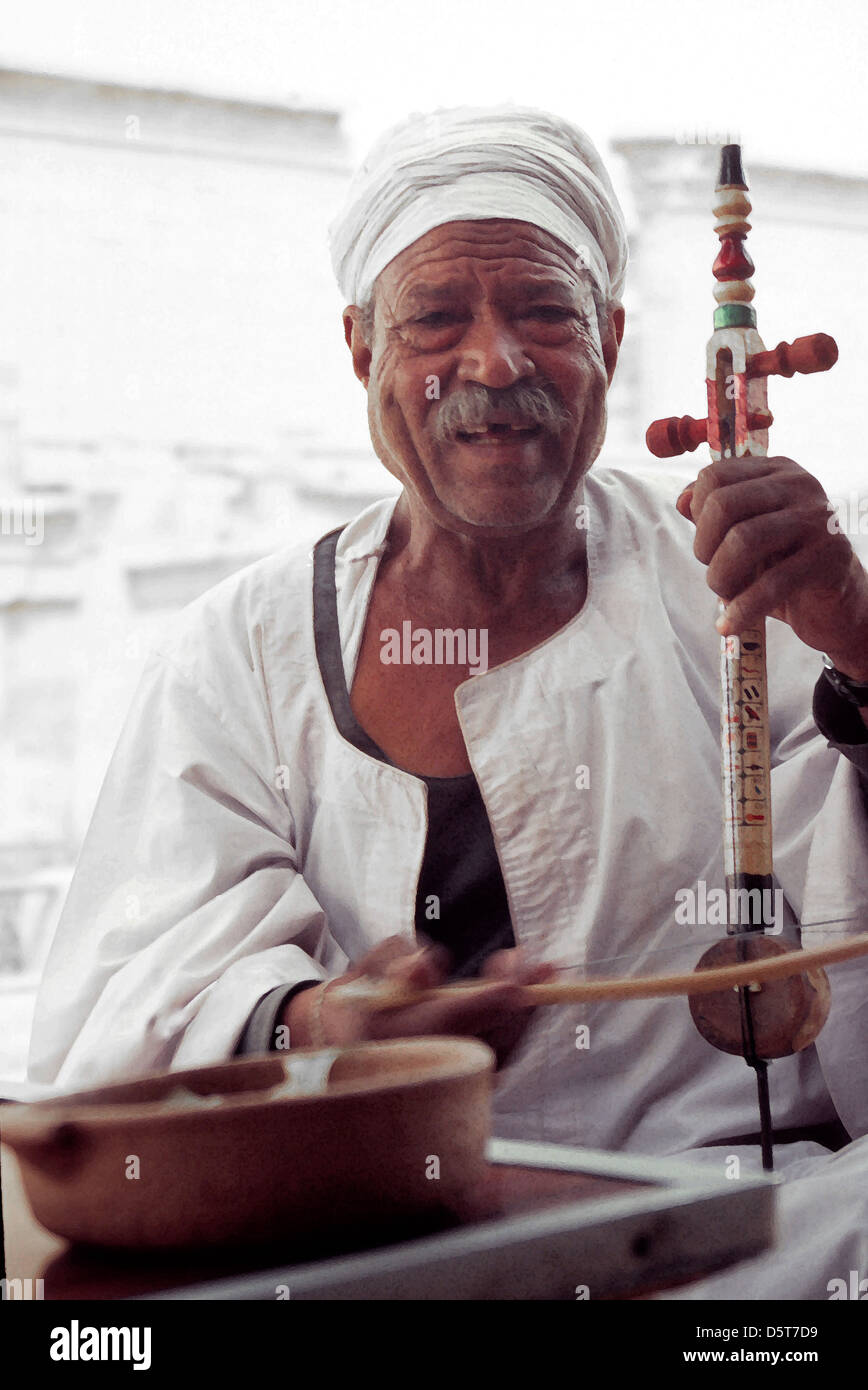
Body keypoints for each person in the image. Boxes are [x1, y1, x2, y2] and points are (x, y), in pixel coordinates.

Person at [28, 107, 868, 1297]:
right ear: (360, 349)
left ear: (612, 342)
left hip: (743, 1231)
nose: (495, 363)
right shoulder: (242, 650)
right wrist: (315, 1030)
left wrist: (858, 639)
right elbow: (129, 1003)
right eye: (433, 319)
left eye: (543, 313)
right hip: (363, 1238)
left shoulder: (751, 585)